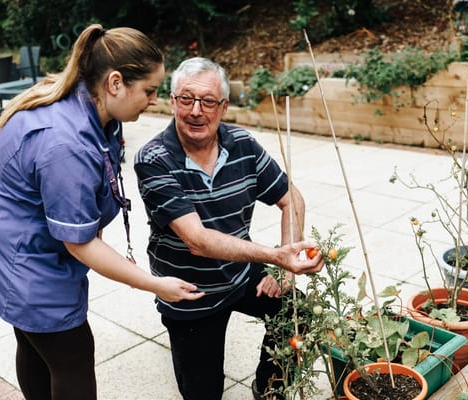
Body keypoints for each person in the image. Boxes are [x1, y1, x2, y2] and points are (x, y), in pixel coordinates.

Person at [0, 24, 204, 400]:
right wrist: (154, 284)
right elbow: (80, 244)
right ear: (115, 82)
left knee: (35, 344)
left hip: (20, 253)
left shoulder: (87, 104)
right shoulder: (64, 143)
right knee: (71, 358)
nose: (154, 101)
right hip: (30, 267)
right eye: (149, 91)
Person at [133, 57, 324, 400]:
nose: (196, 111)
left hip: (238, 272)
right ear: (172, 102)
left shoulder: (242, 145)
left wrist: (284, 271)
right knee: (204, 392)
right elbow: (198, 241)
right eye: (186, 99)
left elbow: (291, 200)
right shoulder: (154, 158)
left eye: (207, 101)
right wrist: (278, 257)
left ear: (223, 106)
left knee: (298, 311)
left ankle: (269, 389)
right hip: (188, 291)